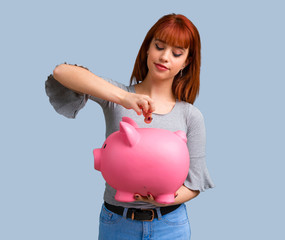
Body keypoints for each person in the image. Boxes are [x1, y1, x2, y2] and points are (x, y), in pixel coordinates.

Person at [45, 13, 214, 240]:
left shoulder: (190, 115)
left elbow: (194, 185)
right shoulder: (116, 96)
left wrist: (157, 198)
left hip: (170, 224)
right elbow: (62, 73)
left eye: (176, 53)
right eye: (159, 46)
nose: (164, 57)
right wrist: (124, 98)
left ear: (187, 61)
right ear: (147, 49)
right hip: (117, 222)